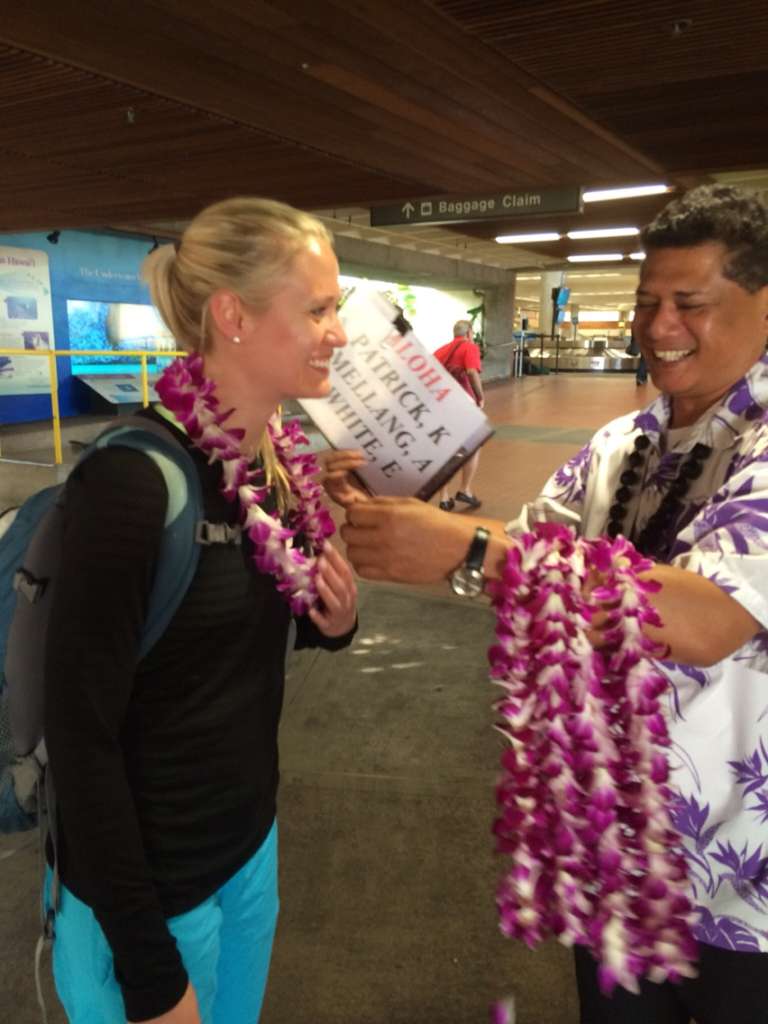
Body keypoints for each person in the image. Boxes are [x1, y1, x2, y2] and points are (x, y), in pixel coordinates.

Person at [329, 184, 768, 1023]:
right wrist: (393, 500)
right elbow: (527, 544)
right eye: (647, 303)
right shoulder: (621, 446)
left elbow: (709, 618)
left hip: (742, 887)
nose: (659, 326)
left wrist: (473, 549)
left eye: (691, 303)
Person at [42, 197, 358, 1024]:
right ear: (233, 316)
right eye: (319, 309)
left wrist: (333, 622)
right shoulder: (131, 487)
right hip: (146, 897)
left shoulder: (275, 473)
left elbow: (231, 646)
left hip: (248, 853)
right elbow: (79, 738)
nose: (340, 333)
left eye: (339, 309)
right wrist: (150, 972)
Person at [434, 319, 485, 511]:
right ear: (470, 332)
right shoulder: (469, 347)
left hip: (441, 404)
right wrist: (480, 396)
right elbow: (472, 372)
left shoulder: (440, 351)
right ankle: (465, 490)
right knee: (474, 444)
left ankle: (444, 498)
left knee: (445, 449)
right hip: (462, 404)